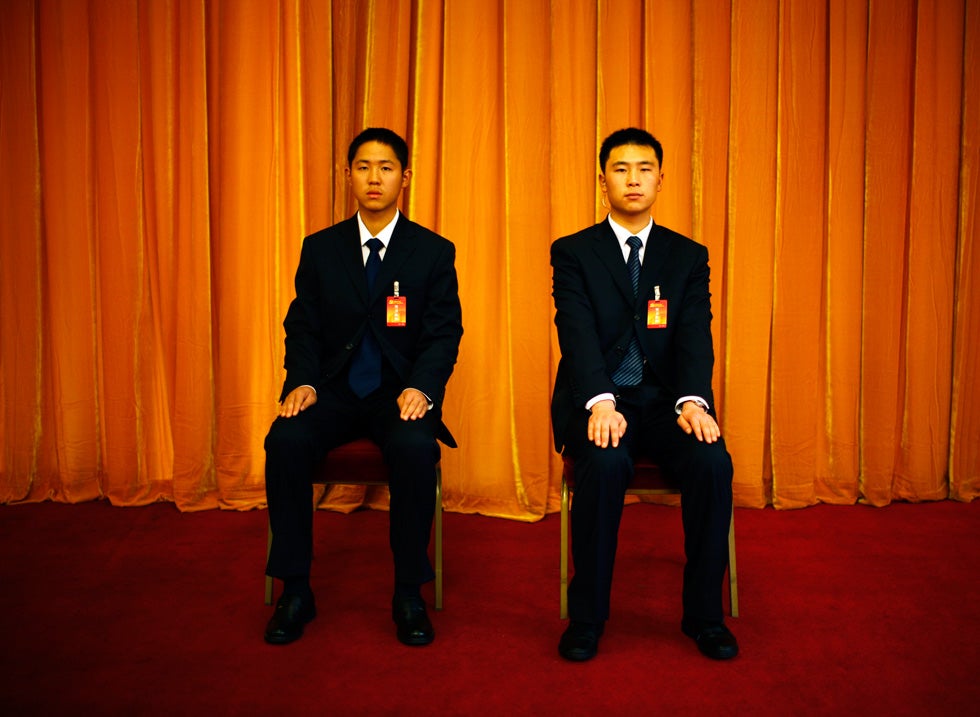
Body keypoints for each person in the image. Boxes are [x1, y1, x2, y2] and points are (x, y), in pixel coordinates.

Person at [263, 127, 463, 647]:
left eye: (387, 167)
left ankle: (408, 592)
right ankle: (295, 589)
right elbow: (301, 325)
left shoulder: (433, 252)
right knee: (284, 442)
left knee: (417, 451)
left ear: (405, 178)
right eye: (363, 167)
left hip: (397, 394)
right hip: (330, 390)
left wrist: (423, 387)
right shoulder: (321, 248)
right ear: (347, 174)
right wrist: (302, 381)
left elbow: (444, 334)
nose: (375, 178)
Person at [550, 127, 737, 661]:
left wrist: (694, 400)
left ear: (661, 177)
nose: (633, 179)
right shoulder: (574, 252)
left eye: (644, 169)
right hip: (600, 401)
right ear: (602, 178)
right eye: (621, 169)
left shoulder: (686, 255)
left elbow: (694, 336)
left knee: (711, 462)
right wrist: (599, 400)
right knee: (605, 466)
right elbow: (577, 333)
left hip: (665, 403)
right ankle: (586, 617)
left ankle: (704, 616)